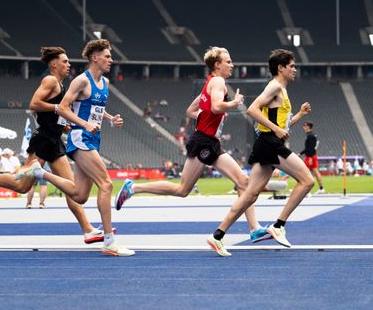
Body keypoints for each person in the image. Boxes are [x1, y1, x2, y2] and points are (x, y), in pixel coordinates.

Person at [114, 47, 270, 243]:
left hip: (210, 141)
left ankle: (254, 228)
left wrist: (206, 118)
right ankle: (133, 188)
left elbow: (190, 110)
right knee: (183, 190)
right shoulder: (219, 82)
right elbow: (215, 107)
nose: (232, 65)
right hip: (204, 142)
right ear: (217, 65)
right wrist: (234, 103)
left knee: (243, 182)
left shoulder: (209, 84)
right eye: (228, 61)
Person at [0, 46, 106, 245]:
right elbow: (34, 104)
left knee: (72, 189)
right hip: (44, 139)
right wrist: (59, 109)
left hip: (55, 140)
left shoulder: (61, 85)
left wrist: (65, 126)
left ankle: (88, 230)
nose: (68, 64)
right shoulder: (50, 80)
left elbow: (53, 117)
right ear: (54, 64)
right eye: (65, 61)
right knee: (22, 185)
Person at [14, 39, 134, 257]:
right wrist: (84, 124)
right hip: (80, 137)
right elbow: (63, 108)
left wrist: (109, 119)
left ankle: (41, 172)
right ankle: (109, 241)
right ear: (95, 58)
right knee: (106, 184)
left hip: (92, 137)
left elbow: (95, 108)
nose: (111, 60)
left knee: (79, 195)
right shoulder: (80, 81)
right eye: (107, 56)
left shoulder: (105, 83)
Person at [207, 49, 314, 256]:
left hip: (266, 143)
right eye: (291, 66)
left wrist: (299, 114)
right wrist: (275, 129)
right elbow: (252, 110)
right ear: (280, 68)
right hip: (271, 143)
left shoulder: (281, 90)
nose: (295, 69)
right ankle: (279, 225)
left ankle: (217, 235)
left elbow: (282, 125)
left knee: (249, 195)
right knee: (307, 181)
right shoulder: (274, 87)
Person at [300, 121, 324, 193]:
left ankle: (306, 190)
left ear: (308, 126)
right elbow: (310, 147)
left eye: (305, 125)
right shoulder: (311, 135)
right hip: (312, 155)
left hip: (310, 156)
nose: (303, 127)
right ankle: (321, 188)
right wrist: (300, 153)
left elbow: (310, 147)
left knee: (303, 172)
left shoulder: (310, 135)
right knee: (315, 172)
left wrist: (310, 157)